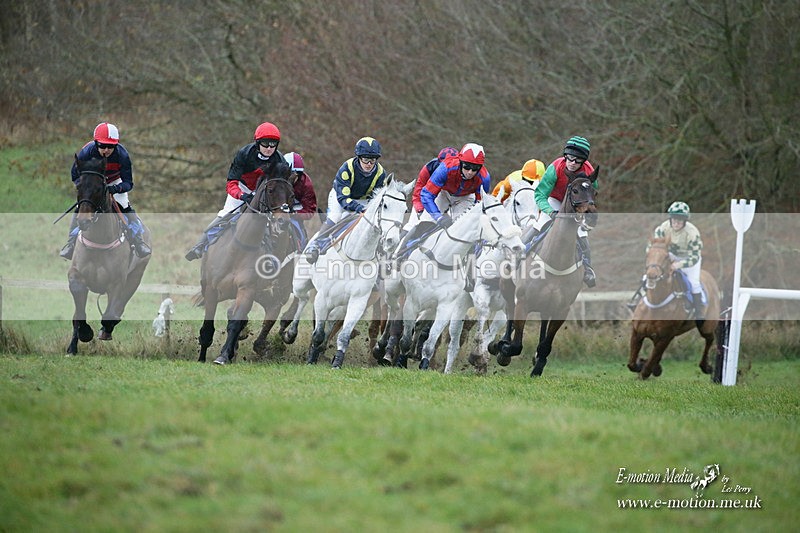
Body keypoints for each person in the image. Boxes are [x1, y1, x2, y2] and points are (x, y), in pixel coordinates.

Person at [185, 121, 284, 261]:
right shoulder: (244, 154)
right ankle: (201, 245)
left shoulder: (280, 159)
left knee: (275, 220)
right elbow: (231, 183)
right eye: (265, 144)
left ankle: (277, 257)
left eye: (273, 144)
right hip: (242, 188)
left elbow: (281, 185)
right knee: (226, 213)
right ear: (257, 143)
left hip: (265, 191)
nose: (269, 148)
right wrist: (242, 195)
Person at [59, 122, 151, 259]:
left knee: (125, 205)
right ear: (96, 143)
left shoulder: (122, 155)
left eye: (111, 146)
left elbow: (128, 183)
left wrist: (113, 189)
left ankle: (138, 241)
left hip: (114, 182)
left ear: (116, 144)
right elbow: (75, 175)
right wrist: (85, 187)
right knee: (81, 207)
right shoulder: (86, 152)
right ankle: (71, 243)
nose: (106, 150)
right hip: (92, 183)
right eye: (102, 145)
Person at [396, 143, 491, 257]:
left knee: (464, 228)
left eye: (475, 168)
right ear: (460, 161)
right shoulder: (446, 167)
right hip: (443, 193)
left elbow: (480, 205)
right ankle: (399, 255)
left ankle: (469, 262)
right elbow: (426, 194)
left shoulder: (484, 177)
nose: (470, 172)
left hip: (466, 197)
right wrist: (438, 217)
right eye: (466, 166)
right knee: (425, 223)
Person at [304, 136, 388, 264]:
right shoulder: (347, 168)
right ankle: (316, 244)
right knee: (335, 217)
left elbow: (376, 198)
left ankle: (381, 253)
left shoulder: (381, 173)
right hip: (341, 197)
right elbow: (344, 199)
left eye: (373, 160)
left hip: (364, 200)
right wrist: (359, 208)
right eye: (365, 159)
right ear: (358, 157)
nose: (369, 164)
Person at [532, 135, 597, 287]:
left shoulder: (589, 172)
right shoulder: (555, 168)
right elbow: (540, 194)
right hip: (555, 201)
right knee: (539, 225)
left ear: (584, 161)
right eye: (569, 158)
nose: (572, 163)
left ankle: (588, 269)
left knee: (582, 234)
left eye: (577, 160)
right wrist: (550, 211)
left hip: (575, 206)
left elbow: (591, 195)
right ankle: (518, 257)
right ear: (565, 155)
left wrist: (584, 212)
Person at [630, 202, 706, 324]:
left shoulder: (692, 233)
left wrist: (678, 265)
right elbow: (652, 247)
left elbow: (695, 257)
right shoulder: (662, 229)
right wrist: (655, 260)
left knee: (694, 283)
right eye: (674, 220)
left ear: (685, 221)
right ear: (670, 219)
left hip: (688, 259)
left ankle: (699, 312)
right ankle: (638, 300)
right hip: (669, 255)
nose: (676, 223)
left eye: (680, 221)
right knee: (648, 276)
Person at [282, 151, 318, 250]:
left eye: (294, 174)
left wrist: (294, 214)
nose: (290, 177)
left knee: (300, 236)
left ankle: (301, 249)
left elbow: (310, 211)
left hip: (294, 214)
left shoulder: (306, 184)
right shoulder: (277, 180)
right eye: (288, 174)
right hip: (277, 211)